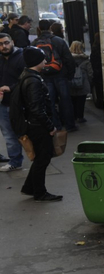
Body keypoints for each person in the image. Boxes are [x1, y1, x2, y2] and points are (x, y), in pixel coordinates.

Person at [16, 47, 62, 201]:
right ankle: (39, 192)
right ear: (36, 61)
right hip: (38, 126)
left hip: (33, 124)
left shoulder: (27, 76)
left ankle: (29, 187)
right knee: (43, 158)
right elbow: (37, 108)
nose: (45, 61)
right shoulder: (33, 81)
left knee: (40, 158)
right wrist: (50, 126)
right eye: (43, 59)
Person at [34, 19, 77, 132]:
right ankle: (70, 125)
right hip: (60, 74)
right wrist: (70, 74)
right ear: (50, 28)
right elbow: (68, 59)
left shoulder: (35, 43)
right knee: (65, 100)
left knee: (50, 102)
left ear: (39, 28)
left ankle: (56, 125)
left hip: (44, 76)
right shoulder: (59, 41)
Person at [0, 32, 25, 172]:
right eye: (1, 44)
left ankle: (38, 157)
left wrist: (10, 87)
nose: (4, 46)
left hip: (19, 102)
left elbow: (25, 80)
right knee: (8, 133)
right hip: (3, 103)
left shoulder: (21, 58)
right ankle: (15, 160)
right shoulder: (1, 60)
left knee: (23, 132)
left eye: (6, 43)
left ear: (12, 42)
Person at [69, 41, 92, 123]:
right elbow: (90, 73)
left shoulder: (68, 59)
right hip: (83, 83)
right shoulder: (85, 59)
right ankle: (80, 117)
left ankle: (74, 116)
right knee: (81, 101)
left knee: (73, 101)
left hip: (71, 83)